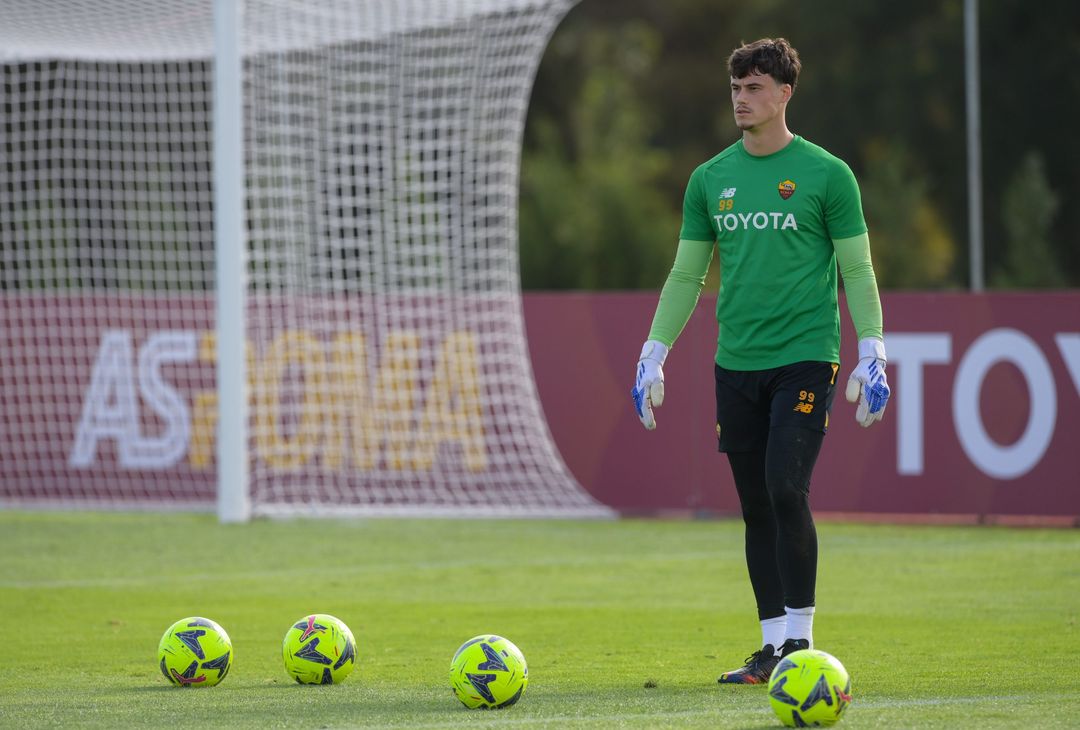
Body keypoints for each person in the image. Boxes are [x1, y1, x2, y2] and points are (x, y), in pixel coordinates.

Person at [631, 37, 891, 685]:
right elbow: (688, 275)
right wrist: (653, 350)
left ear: (784, 94)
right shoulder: (710, 179)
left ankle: (802, 643)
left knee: (785, 486)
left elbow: (856, 268)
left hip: (806, 357)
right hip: (736, 363)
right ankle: (771, 647)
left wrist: (874, 349)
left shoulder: (827, 174)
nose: (741, 100)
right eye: (736, 88)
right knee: (754, 505)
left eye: (753, 88)